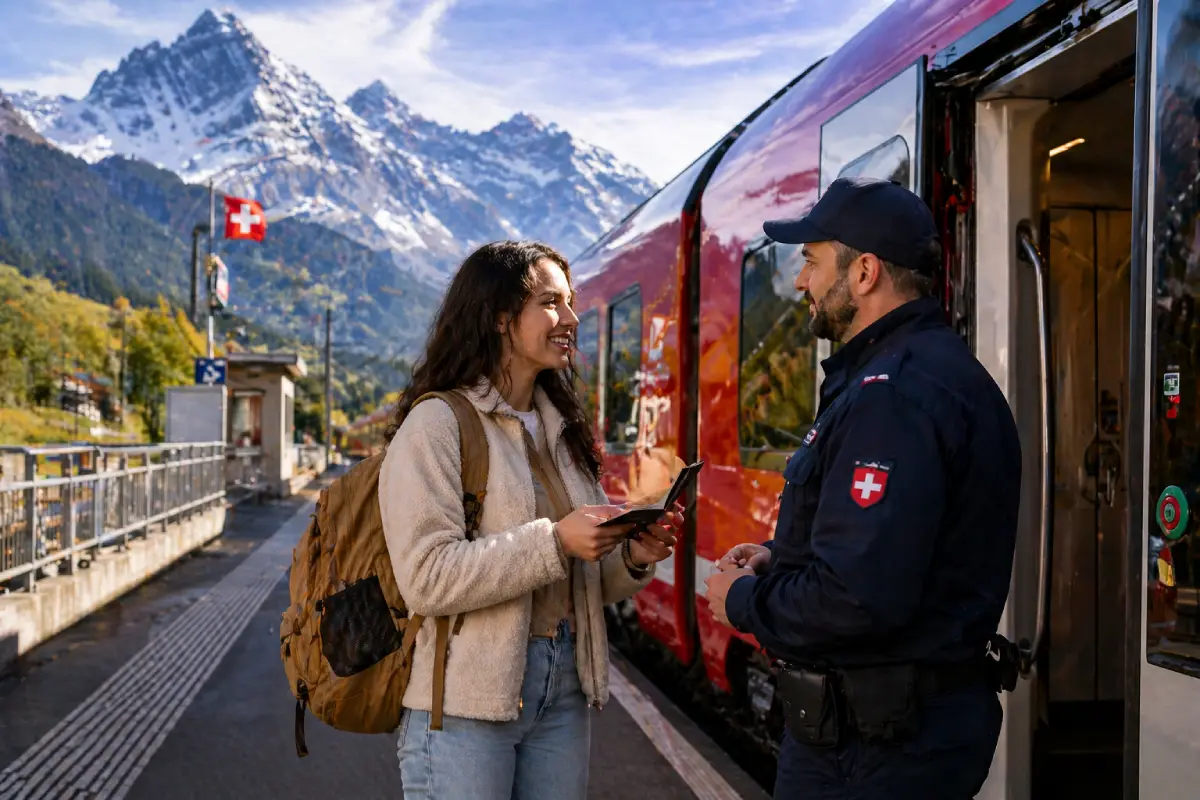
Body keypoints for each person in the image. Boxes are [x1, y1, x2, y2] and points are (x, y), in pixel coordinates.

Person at [704, 177, 1022, 799]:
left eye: (812, 263)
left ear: (865, 272)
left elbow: (857, 598)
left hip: (872, 748)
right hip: (900, 734)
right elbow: (895, 553)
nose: (800, 283)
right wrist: (785, 560)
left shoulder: (891, 397)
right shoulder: (933, 373)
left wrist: (744, 601)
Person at [378, 240, 682, 800]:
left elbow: (580, 578)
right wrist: (556, 541)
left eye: (569, 303)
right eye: (550, 303)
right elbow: (425, 576)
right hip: (464, 704)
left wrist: (631, 555)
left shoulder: (560, 430)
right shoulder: (438, 424)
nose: (570, 318)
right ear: (498, 318)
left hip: (562, 687)